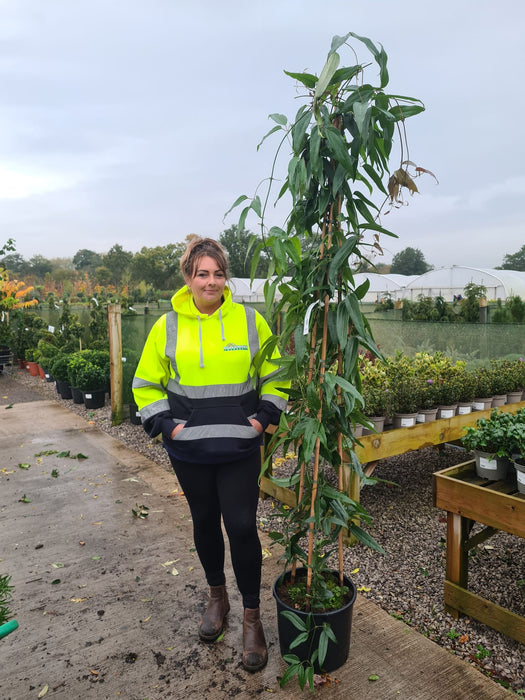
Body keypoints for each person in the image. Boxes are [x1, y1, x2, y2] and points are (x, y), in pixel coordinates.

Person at [132, 237, 289, 672]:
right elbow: (145, 384)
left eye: (219, 273)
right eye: (202, 273)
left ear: (226, 278)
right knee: (204, 523)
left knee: (241, 526)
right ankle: (217, 598)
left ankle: (253, 619)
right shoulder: (166, 327)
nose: (212, 281)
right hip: (189, 452)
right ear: (188, 277)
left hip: (240, 447)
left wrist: (262, 418)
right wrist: (167, 426)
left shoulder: (250, 321)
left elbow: (276, 376)